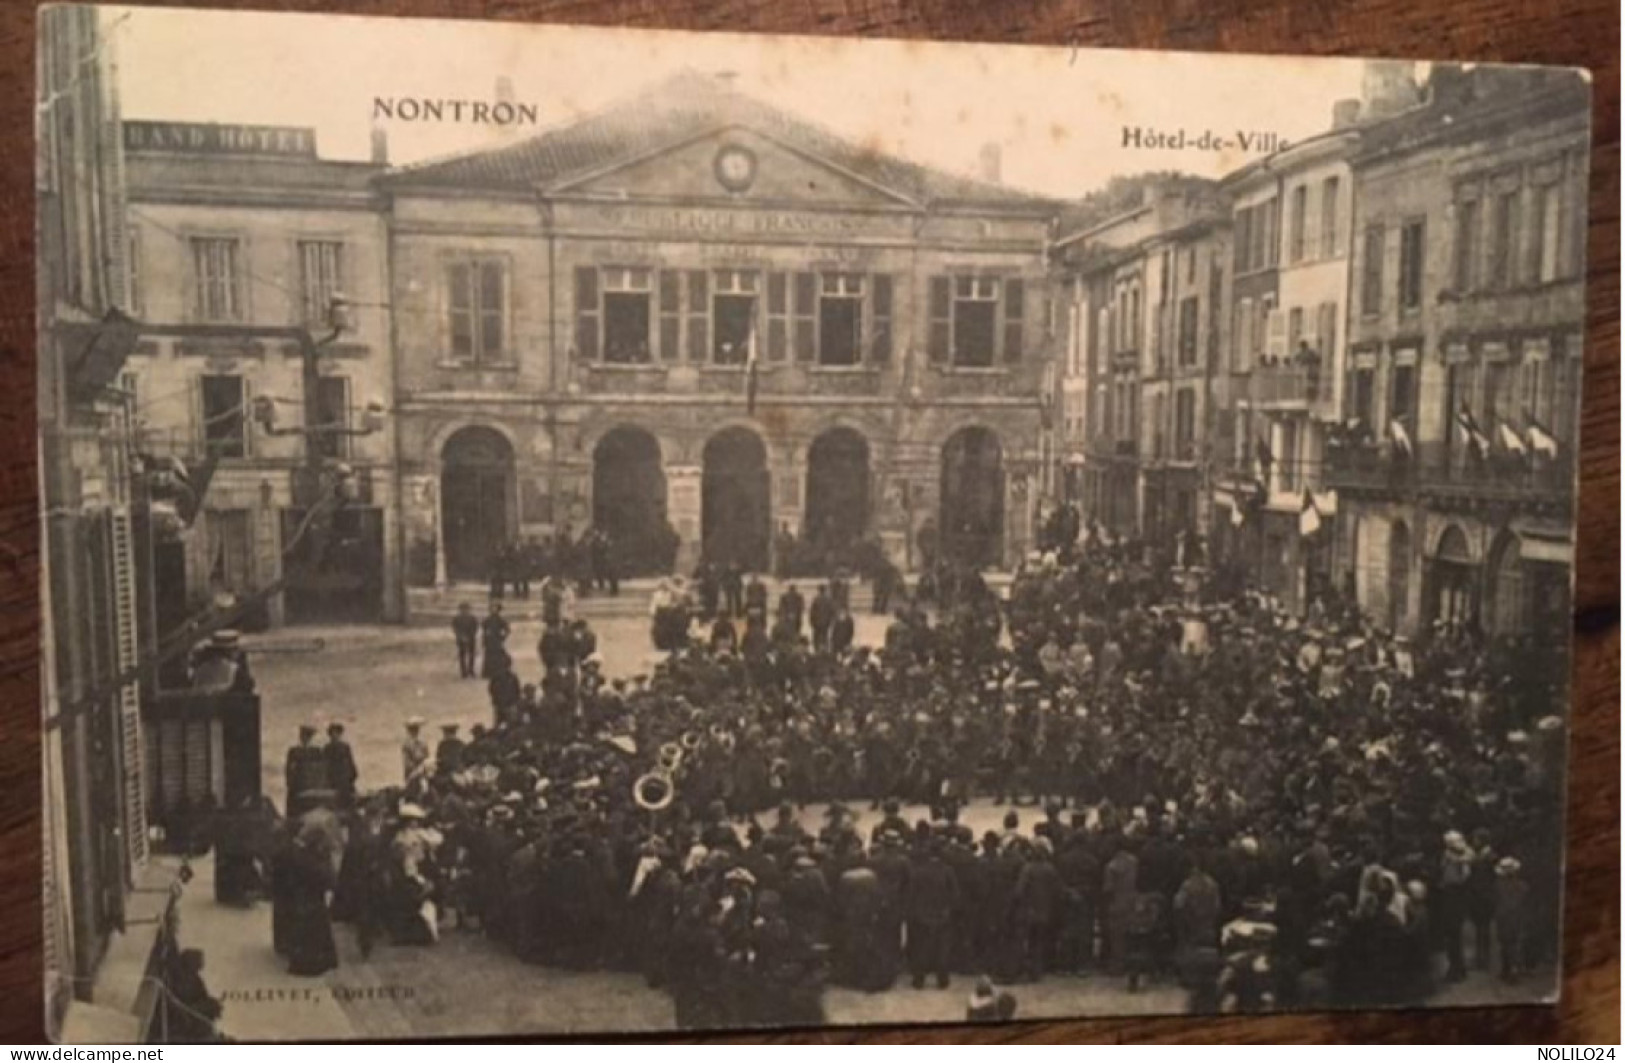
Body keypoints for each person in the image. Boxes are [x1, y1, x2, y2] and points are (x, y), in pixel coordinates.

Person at [284, 725, 327, 819]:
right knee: (295, 807)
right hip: (297, 783)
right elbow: (288, 767)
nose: (305, 739)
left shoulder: (316, 751)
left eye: (307, 736)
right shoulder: (294, 750)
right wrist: (290, 781)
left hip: (311, 784)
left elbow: (321, 767)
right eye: (303, 736)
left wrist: (319, 783)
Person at [324, 722, 358, 809]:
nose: (335, 736)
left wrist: (353, 774)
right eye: (332, 734)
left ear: (339, 734)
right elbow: (325, 764)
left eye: (336, 733)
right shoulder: (327, 748)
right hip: (333, 776)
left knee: (349, 798)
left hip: (344, 776)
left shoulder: (345, 747)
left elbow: (350, 761)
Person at [480, 603, 510, 678]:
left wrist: (502, 637)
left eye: (495, 608)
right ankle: (488, 673)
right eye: (492, 608)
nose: (493, 610)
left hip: (496, 640)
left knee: (497, 656)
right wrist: (484, 639)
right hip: (489, 640)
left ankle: (497, 671)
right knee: (488, 656)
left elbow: (507, 630)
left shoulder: (500, 619)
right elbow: (484, 630)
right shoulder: (487, 620)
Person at [452, 602, 479, 679]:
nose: (465, 611)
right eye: (463, 609)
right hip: (461, 639)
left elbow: (475, 628)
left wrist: (471, 636)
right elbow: (455, 629)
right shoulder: (457, 619)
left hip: (471, 638)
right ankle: (463, 671)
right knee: (462, 655)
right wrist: (461, 636)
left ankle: (471, 670)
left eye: (466, 609)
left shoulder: (472, 618)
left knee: (471, 655)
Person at [401, 718, 430, 784]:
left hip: (422, 771)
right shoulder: (407, 744)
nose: (415, 731)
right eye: (413, 729)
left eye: (416, 729)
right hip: (412, 773)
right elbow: (407, 762)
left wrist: (422, 768)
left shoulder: (422, 743)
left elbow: (427, 757)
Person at [809, 584, 835, 653]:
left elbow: (812, 612)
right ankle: (824, 650)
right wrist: (831, 621)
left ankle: (817, 650)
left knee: (816, 637)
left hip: (817, 622)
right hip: (826, 622)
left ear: (819, 590)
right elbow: (832, 611)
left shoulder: (816, 599)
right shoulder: (829, 600)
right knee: (824, 636)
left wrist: (812, 621)